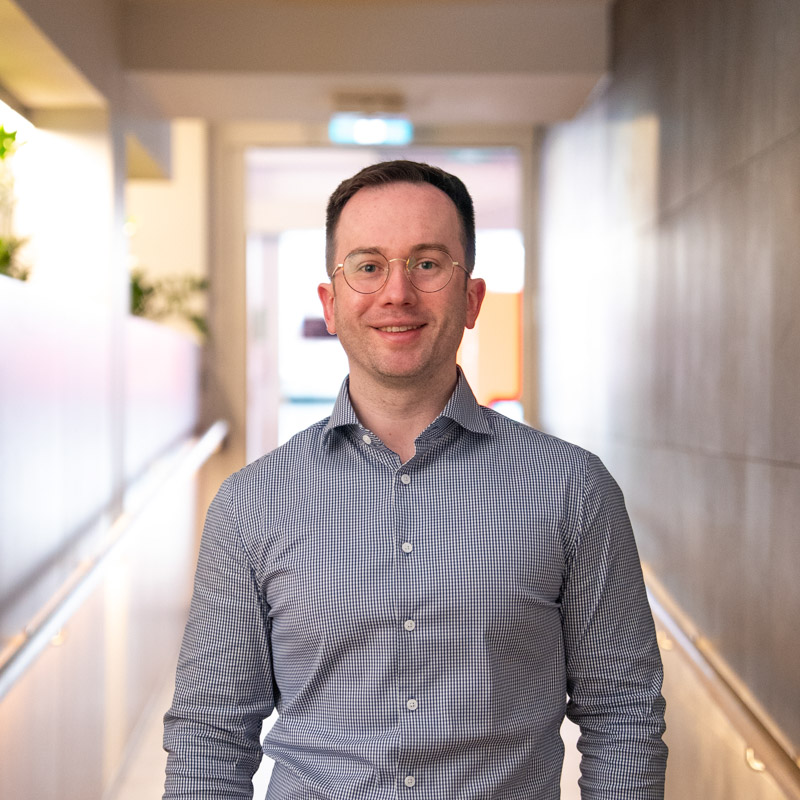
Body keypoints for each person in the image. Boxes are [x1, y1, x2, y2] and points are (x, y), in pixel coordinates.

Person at [163, 160, 667, 799]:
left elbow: (622, 713)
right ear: (332, 301)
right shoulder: (253, 504)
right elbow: (211, 733)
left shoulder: (571, 489)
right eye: (368, 266)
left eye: (428, 264)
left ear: (472, 298)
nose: (396, 293)